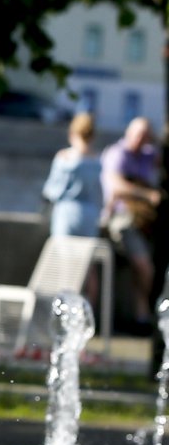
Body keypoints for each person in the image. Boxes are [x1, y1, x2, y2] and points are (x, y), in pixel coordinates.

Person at [101, 116, 162, 329]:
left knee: (145, 268)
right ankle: (142, 314)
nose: (140, 140)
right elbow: (115, 185)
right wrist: (145, 194)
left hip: (144, 222)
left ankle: (141, 316)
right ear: (128, 133)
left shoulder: (148, 155)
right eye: (138, 135)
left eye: (145, 136)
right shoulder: (117, 153)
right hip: (122, 219)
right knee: (144, 267)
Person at [42, 113, 104, 239]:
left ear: (72, 133)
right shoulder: (98, 160)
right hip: (90, 214)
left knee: (64, 255)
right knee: (83, 255)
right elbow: (99, 193)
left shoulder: (65, 158)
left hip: (66, 212)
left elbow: (52, 190)